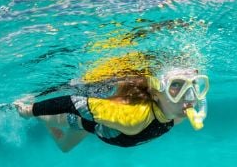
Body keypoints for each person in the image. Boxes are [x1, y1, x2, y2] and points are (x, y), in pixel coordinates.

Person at [14, 54, 210, 152]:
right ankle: (40, 118)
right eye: (176, 85)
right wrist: (29, 110)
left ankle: (47, 124)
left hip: (105, 123)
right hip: (83, 121)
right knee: (57, 125)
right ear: (157, 94)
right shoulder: (133, 118)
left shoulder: (178, 114)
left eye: (193, 85)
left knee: (65, 148)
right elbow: (71, 102)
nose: (189, 96)